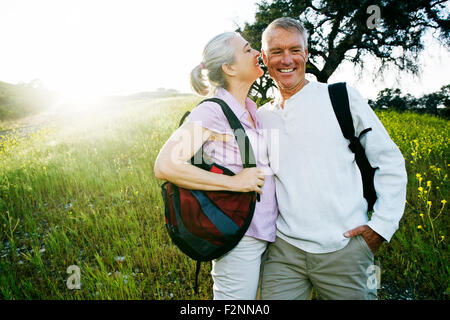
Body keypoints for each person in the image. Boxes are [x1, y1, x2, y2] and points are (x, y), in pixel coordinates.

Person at [256, 17, 408, 300]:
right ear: (264, 58)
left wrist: (381, 227)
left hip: (346, 249)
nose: (286, 59)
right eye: (276, 52)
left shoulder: (340, 97)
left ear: (307, 54)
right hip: (283, 252)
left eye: (295, 49)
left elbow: (389, 161)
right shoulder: (262, 116)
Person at [154, 32, 278, 300]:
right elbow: (165, 165)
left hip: (267, 232)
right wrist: (234, 182)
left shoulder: (249, 109)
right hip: (241, 236)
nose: (257, 52)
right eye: (247, 50)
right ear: (229, 67)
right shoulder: (212, 111)